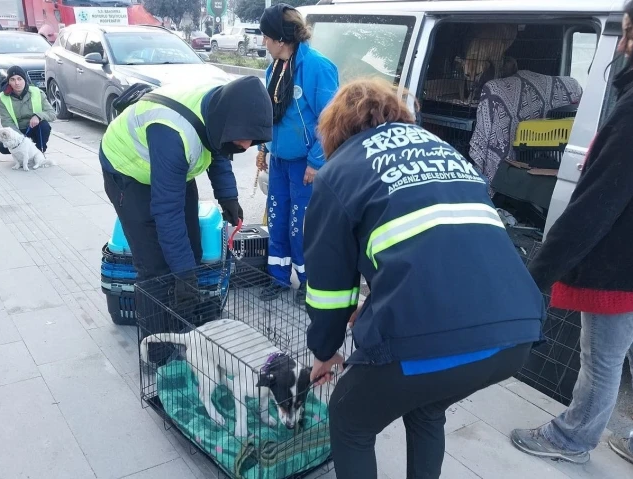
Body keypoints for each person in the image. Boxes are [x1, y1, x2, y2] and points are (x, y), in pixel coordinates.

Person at [304, 78, 545, 479]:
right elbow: (443, 248)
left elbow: (329, 289)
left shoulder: (340, 171)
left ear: (337, 130)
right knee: (426, 407)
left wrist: (325, 352)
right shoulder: (446, 152)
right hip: (515, 333)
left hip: (429, 338)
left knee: (350, 419)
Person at [510, 1, 633, 478]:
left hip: (627, 264)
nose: (622, 44)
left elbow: (597, 203)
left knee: (601, 361)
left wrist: (536, 272)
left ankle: (571, 438)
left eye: (629, 33)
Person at [100, 76, 272, 283]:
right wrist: (184, 275)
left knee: (192, 248)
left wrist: (228, 197)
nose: (246, 146)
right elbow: (167, 211)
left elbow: (218, 146)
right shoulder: (173, 134)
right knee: (155, 266)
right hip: (127, 170)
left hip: (171, 165)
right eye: (244, 137)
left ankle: (188, 303)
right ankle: (158, 309)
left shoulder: (219, 107)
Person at [256, 4, 339, 304]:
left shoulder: (317, 67)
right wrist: (264, 147)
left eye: (266, 36)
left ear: (280, 39)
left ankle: (308, 282)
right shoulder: (273, 68)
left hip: (306, 163)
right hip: (279, 161)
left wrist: (317, 162)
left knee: (300, 225)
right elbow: (272, 112)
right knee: (277, 219)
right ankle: (278, 277)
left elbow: (331, 119)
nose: (263, 42)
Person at [0, 67, 56, 154]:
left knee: (44, 125)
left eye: (19, 79)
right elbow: (6, 121)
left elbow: (52, 114)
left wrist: (38, 116)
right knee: (2, 148)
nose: (17, 83)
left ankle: (39, 152)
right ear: (8, 82)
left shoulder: (37, 92)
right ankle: (22, 152)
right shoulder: (2, 98)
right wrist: (20, 139)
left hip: (34, 128)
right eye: (12, 80)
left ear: (25, 79)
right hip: (17, 130)